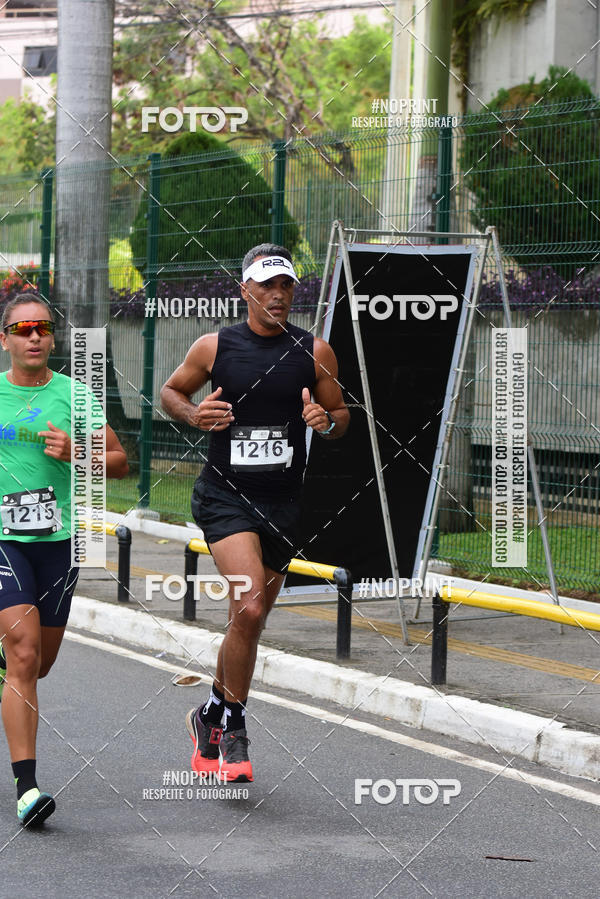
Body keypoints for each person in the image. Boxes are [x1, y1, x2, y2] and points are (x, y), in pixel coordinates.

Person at [161, 244, 349, 783]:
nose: (278, 294)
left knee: (250, 621)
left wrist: (324, 421)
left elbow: (341, 417)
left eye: (287, 285)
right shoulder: (214, 346)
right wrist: (195, 414)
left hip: (283, 504)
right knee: (246, 610)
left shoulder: (314, 350)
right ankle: (236, 730)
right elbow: (171, 392)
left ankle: (210, 714)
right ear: (245, 290)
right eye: (266, 285)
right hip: (225, 497)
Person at [0, 292, 128, 826]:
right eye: (23, 328)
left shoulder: (77, 396)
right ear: (3, 339)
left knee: (39, 664)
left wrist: (79, 452)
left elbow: (121, 462)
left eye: (43, 328)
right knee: (25, 653)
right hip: (4, 539)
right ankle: (28, 789)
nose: (34, 336)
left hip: (60, 541)